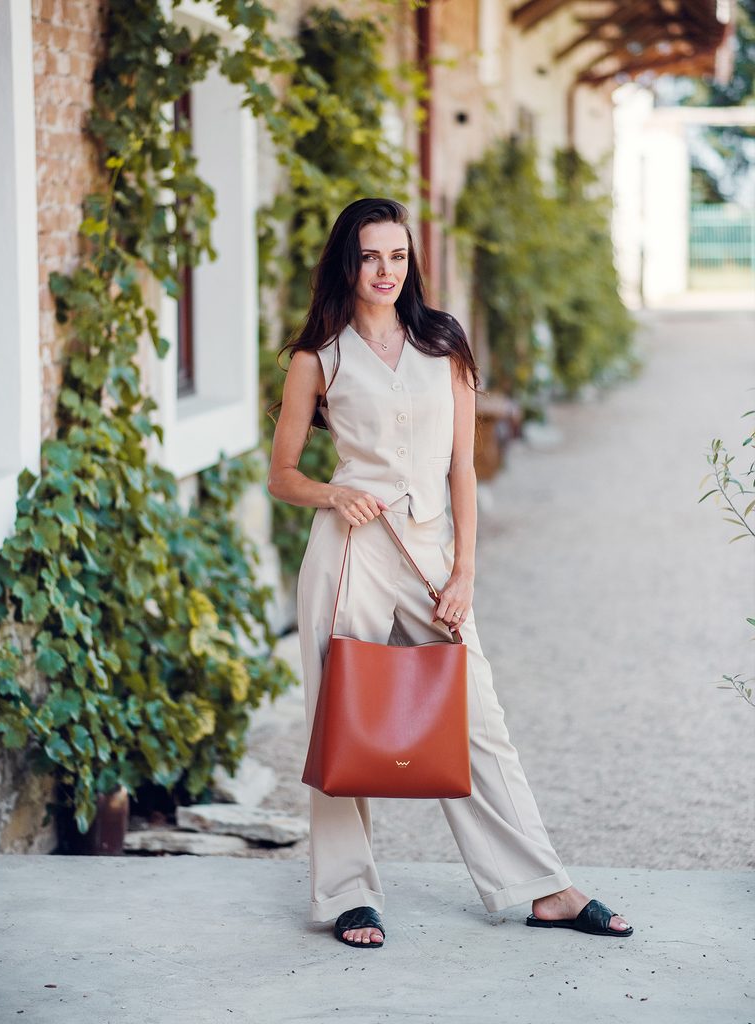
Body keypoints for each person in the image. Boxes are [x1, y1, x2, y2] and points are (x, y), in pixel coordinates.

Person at [266, 197, 633, 949]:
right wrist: (333, 493)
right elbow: (283, 475)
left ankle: (544, 887)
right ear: (347, 263)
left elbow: (462, 466)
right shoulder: (318, 357)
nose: (385, 270)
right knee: (339, 720)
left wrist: (465, 569)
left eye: (397, 256)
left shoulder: (443, 343)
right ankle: (348, 896)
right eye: (370, 256)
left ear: (412, 262)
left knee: (479, 718)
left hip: (433, 556)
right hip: (349, 553)